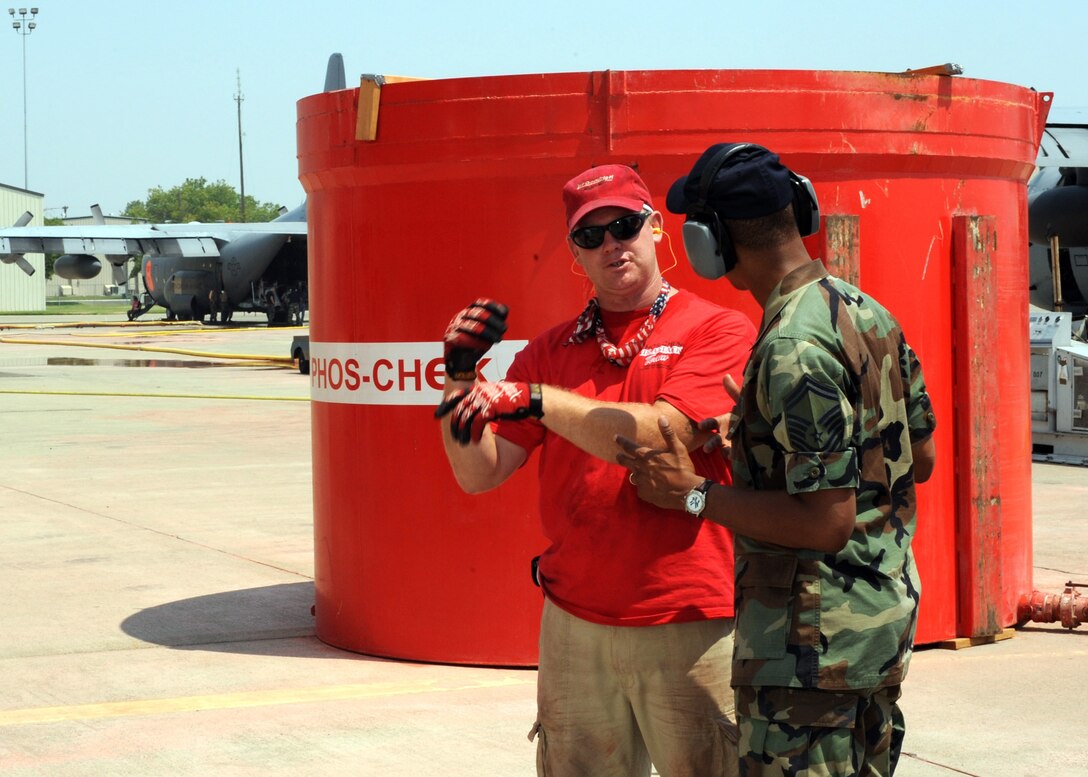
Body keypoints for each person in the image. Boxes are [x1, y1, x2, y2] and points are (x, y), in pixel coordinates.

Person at [615, 143, 938, 776]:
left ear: (715, 240)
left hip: (810, 657)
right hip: (874, 633)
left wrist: (690, 492)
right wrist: (765, 439)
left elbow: (826, 522)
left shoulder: (792, 346)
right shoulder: (863, 310)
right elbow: (914, 455)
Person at [435, 163, 757, 777]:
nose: (612, 244)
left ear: (657, 228)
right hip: (573, 624)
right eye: (591, 235)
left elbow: (663, 434)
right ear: (574, 253)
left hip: (689, 619)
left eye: (625, 225)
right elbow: (479, 473)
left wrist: (533, 399)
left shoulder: (716, 327)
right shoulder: (550, 351)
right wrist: (458, 379)